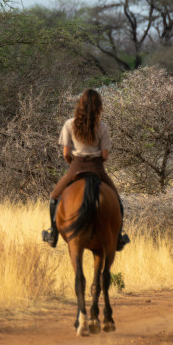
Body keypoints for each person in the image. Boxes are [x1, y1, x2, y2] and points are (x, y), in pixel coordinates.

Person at [42, 89, 130, 251]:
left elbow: (66, 154)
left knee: (54, 197)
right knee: (117, 200)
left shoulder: (69, 124)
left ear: (80, 104)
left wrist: (73, 164)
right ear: (99, 106)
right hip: (97, 168)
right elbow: (105, 155)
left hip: (76, 167)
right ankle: (118, 237)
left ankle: (53, 234)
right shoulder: (102, 127)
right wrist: (97, 162)